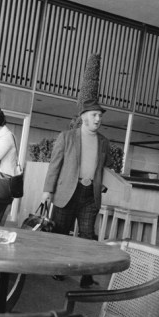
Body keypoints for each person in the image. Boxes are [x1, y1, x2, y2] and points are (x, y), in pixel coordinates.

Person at [41, 98, 112, 288]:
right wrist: (47, 191)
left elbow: (107, 169)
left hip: (90, 195)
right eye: (94, 115)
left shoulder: (104, 142)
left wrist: (102, 186)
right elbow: (54, 166)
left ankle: (86, 276)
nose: (98, 119)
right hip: (67, 192)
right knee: (60, 233)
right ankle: (59, 268)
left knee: (88, 236)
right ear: (84, 117)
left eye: (100, 116)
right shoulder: (67, 137)